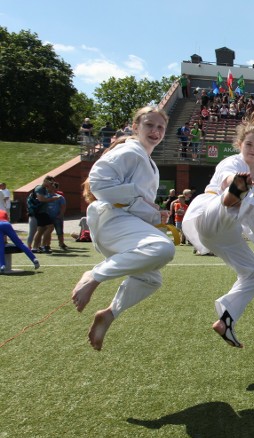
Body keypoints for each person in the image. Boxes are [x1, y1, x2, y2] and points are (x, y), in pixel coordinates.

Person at [70, 107, 176, 351]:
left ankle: (109, 313)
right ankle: (94, 276)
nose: (155, 131)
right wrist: (145, 207)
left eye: (160, 127)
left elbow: (134, 200)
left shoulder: (146, 160)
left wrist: (153, 213)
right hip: (111, 221)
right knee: (162, 249)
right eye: (149, 125)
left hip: (119, 226)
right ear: (135, 127)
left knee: (150, 279)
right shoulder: (130, 150)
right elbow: (99, 182)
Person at [181, 108, 254, 348]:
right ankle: (235, 194)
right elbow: (227, 176)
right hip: (210, 214)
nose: (253, 149)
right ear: (239, 144)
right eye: (249, 144)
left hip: (226, 235)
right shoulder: (231, 161)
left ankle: (226, 320)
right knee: (233, 196)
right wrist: (236, 183)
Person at [27, 175, 62, 254]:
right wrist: (54, 199)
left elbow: (50, 192)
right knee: (50, 227)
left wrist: (53, 191)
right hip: (39, 212)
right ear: (46, 181)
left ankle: (35, 247)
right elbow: (41, 199)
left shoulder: (45, 189)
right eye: (50, 182)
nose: (51, 184)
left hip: (42, 212)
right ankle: (43, 246)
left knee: (41, 230)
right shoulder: (39, 188)